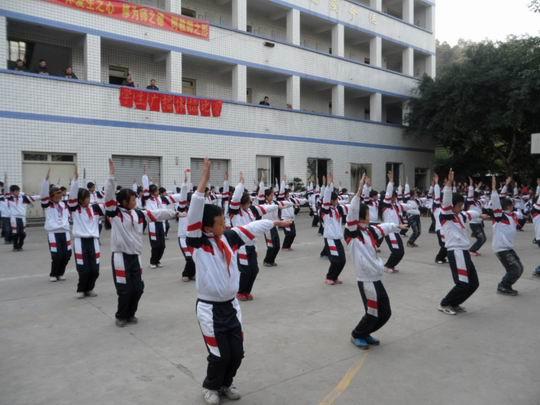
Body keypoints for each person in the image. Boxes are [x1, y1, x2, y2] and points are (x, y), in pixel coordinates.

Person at [186, 158, 290, 405]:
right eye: (220, 222)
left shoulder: (230, 238)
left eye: (224, 220)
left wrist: (274, 223)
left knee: (237, 353)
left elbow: (252, 227)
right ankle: (210, 387)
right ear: (206, 226)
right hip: (209, 310)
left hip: (231, 306)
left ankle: (225, 383)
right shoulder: (197, 243)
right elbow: (195, 207)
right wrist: (204, 180)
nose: (225, 224)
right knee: (219, 354)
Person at [105, 159, 177, 327]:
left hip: (135, 257)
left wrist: (175, 213)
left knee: (138, 288)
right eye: (132, 199)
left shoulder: (139, 213)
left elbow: (158, 214)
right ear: (123, 202)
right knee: (124, 289)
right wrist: (111, 176)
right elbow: (109, 196)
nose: (135, 201)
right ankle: (121, 316)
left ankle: (131, 313)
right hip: (120, 257)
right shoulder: (115, 214)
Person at [346, 174, 407, 349]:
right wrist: (359, 191)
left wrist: (398, 227)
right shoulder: (352, 233)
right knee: (372, 312)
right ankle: (357, 334)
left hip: (376, 277)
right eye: (366, 213)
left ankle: (366, 332)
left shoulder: (370, 231)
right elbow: (352, 212)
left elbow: (384, 227)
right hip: (365, 279)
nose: (370, 215)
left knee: (386, 312)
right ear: (360, 216)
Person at [438, 169, 487, 315]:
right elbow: (446, 201)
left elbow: (471, 213)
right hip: (456, 251)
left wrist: (482, 215)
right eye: (459, 205)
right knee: (462, 283)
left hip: (464, 252)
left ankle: (455, 303)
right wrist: (449, 184)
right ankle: (445, 303)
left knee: (474, 283)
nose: (461, 208)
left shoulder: (461, 216)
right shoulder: (446, 216)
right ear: (452, 206)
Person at [229, 173, 284, 300]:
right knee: (245, 270)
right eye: (248, 202)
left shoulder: (251, 211)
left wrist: (279, 205)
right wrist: (241, 184)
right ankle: (240, 292)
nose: (250, 203)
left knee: (254, 270)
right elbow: (235, 198)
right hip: (241, 246)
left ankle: (247, 292)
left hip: (251, 245)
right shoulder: (234, 213)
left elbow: (266, 208)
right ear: (242, 203)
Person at [67, 168, 104, 298]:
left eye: (88, 197)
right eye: (85, 198)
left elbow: (110, 207)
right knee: (83, 269)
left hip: (93, 241)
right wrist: (75, 181)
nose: (87, 200)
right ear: (79, 200)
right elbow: (72, 195)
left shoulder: (95, 207)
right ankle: (82, 289)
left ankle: (90, 288)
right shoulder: (75, 209)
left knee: (95, 269)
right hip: (80, 242)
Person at [490, 176, 523, 296]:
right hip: (501, 248)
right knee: (516, 269)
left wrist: (508, 184)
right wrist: (494, 190)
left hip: (508, 247)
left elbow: (505, 198)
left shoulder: (512, 215)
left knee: (519, 268)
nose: (513, 206)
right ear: (508, 207)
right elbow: (497, 204)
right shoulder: (500, 217)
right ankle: (503, 286)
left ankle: (506, 285)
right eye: (511, 205)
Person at [40, 169, 72, 282]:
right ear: (51, 196)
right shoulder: (47, 205)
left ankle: (61, 273)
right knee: (57, 255)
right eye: (57, 194)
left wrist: (75, 181)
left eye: (60, 194)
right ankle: (53, 274)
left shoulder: (64, 204)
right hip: (53, 233)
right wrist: (46, 181)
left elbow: (74, 196)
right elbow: (43, 194)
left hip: (65, 232)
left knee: (67, 254)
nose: (59, 196)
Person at [321, 175, 348, 285]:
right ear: (331, 200)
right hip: (330, 238)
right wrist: (328, 186)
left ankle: (335, 276)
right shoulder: (325, 210)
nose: (338, 201)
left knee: (342, 260)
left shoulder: (338, 209)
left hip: (337, 238)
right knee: (335, 260)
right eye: (336, 199)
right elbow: (326, 199)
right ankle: (329, 277)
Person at [380, 171, 408, 273]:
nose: (394, 198)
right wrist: (391, 182)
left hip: (396, 231)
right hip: (390, 232)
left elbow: (407, 207)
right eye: (393, 196)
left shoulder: (394, 206)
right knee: (397, 251)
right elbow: (388, 194)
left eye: (395, 196)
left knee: (401, 252)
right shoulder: (385, 206)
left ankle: (391, 265)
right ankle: (388, 266)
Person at [278, 179, 307, 250]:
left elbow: (299, 201)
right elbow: (281, 190)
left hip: (291, 219)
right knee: (288, 234)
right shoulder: (281, 200)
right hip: (285, 219)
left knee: (293, 234)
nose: (288, 194)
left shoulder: (291, 200)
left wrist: (306, 200)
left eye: (288, 193)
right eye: (287, 193)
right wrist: (283, 181)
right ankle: (285, 247)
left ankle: (288, 246)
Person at [7, 184, 34, 251]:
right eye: (16, 191)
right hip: (14, 218)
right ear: (12, 192)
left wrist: (44, 195)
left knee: (22, 234)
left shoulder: (23, 197)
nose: (17, 192)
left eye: (18, 191)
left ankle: (20, 245)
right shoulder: (9, 197)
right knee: (15, 233)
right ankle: (15, 246)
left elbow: (34, 197)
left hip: (22, 218)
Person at [467, 177, 486, 256]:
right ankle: (472, 250)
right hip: (474, 223)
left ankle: (473, 249)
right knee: (482, 238)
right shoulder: (470, 202)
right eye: (477, 196)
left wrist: (478, 186)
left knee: (482, 238)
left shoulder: (478, 202)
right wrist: (471, 184)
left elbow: (475, 192)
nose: (478, 197)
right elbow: (471, 193)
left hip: (479, 222)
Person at [404, 183, 421, 248]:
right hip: (411, 217)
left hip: (417, 217)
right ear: (413, 194)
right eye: (415, 193)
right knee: (415, 231)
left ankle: (412, 242)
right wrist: (407, 185)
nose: (416, 194)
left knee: (419, 232)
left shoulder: (416, 200)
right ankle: (409, 242)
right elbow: (408, 210)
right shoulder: (407, 200)